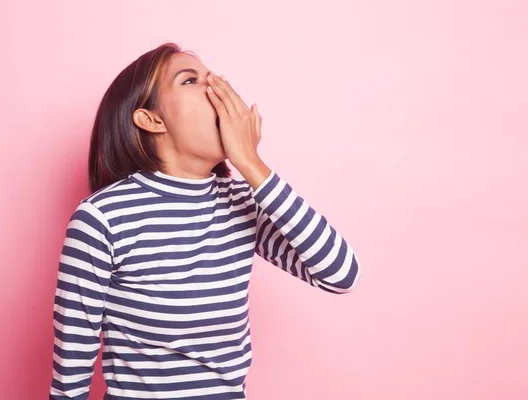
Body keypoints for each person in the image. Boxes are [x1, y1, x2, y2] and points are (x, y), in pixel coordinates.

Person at [49, 42, 361, 400]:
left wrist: (251, 164)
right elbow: (70, 369)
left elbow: (341, 275)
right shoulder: (101, 218)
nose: (215, 87)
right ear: (151, 119)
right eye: (190, 80)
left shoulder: (242, 203)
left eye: (211, 77)